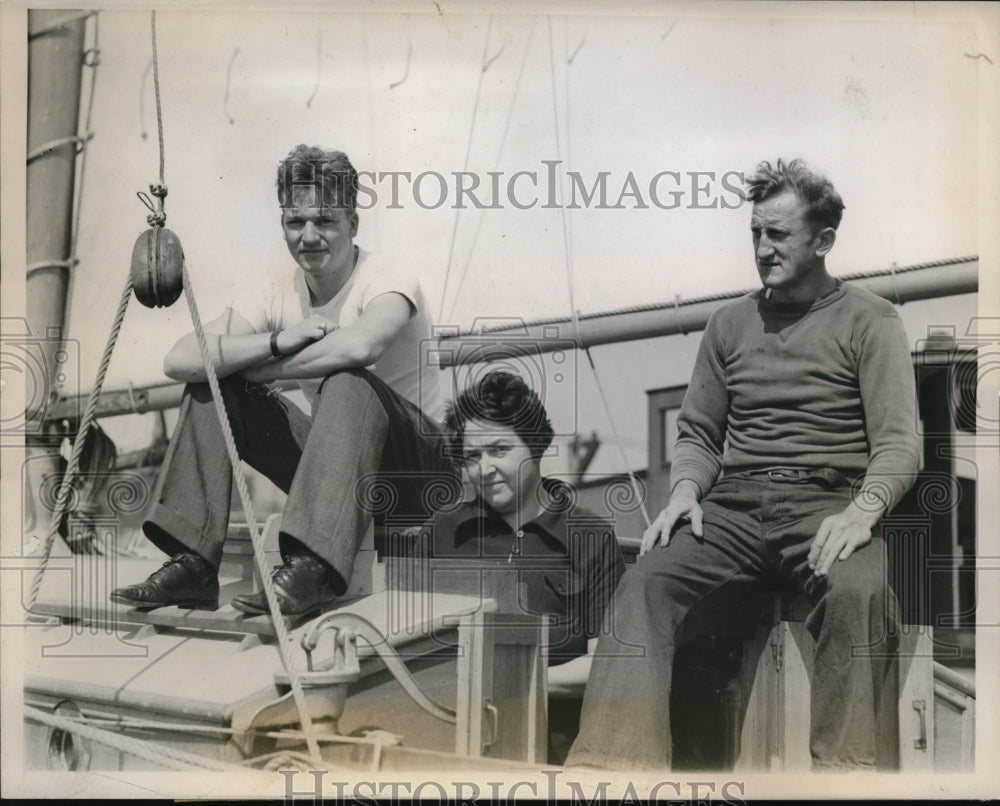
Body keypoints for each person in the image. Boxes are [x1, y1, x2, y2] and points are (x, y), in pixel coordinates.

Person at [566, 158, 920, 771]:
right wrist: (682, 494)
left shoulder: (872, 321)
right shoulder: (728, 324)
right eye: (755, 232)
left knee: (860, 589)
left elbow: (898, 444)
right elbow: (700, 433)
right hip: (733, 508)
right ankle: (612, 771)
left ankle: (846, 777)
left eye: (777, 234)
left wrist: (863, 511)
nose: (762, 247)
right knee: (645, 581)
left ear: (823, 240)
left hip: (825, 507)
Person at [111, 145, 453, 617]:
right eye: (296, 222)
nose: (309, 237)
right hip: (343, 475)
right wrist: (277, 341)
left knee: (348, 380)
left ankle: (311, 568)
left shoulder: (389, 276)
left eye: (325, 221)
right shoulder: (277, 287)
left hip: (419, 476)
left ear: (353, 223)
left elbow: (361, 347)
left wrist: (263, 367)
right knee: (215, 384)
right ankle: (192, 562)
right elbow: (181, 358)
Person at [422, 370, 625, 763]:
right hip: (450, 742)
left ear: (534, 444)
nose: (483, 469)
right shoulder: (443, 532)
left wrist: (515, 687)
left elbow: (605, 665)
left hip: (556, 752)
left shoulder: (591, 537)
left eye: (498, 449)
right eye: (471, 457)